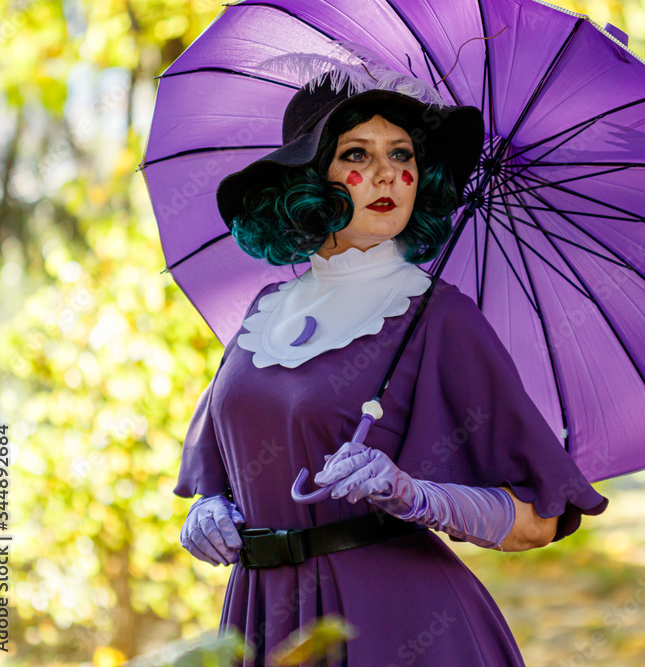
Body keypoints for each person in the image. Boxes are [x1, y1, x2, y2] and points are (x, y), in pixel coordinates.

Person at [174, 45, 608, 666]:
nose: (385, 175)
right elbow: (222, 465)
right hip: (260, 618)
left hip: (397, 628)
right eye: (357, 154)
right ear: (308, 181)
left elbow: (538, 518)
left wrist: (417, 495)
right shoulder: (266, 310)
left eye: (401, 155)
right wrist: (209, 513)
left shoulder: (440, 317)